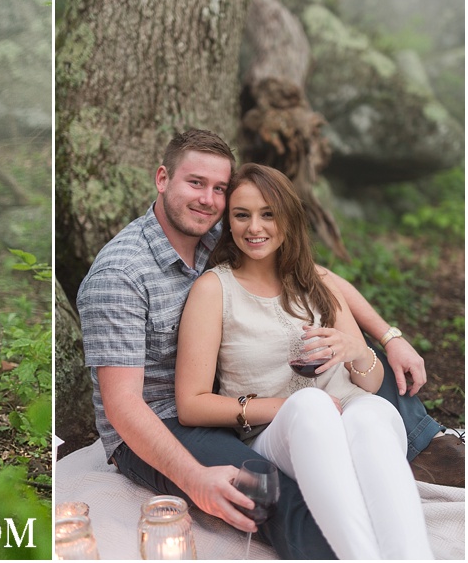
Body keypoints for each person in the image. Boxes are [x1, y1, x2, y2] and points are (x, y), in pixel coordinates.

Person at [75, 130, 459, 559]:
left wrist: (388, 337)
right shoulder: (120, 274)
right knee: (273, 492)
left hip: (235, 401)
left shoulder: (218, 229)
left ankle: (424, 446)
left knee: (373, 399)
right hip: (158, 422)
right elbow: (123, 407)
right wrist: (193, 477)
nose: (208, 198)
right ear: (162, 179)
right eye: (195, 182)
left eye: (219, 188)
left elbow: (317, 275)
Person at [173, 164, 431, 558]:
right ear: (228, 222)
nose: (254, 227)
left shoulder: (315, 280)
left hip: (354, 415)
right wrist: (285, 406)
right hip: (284, 434)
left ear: (288, 218)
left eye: (268, 214)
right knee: (310, 405)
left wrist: (359, 351)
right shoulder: (214, 290)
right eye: (242, 215)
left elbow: (369, 383)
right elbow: (190, 405)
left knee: (371, 414)